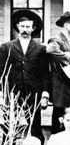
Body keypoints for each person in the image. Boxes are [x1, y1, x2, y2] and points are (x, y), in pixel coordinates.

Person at [0, 9, 49, 137]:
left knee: (35, 126)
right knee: (10, 126)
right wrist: (1, 93)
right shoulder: (6, 47)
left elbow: (45, 73)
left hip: (34, 93)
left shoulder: (40, 49)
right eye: (22, 26)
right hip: (12, 93)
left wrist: (44, 94)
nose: (25, 30)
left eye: (28, 27)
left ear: (33, 28)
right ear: (17, 27)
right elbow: (1, 72)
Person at [46, 11, 70, 133]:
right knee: (59, 120)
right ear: (66, 25)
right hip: (61, 88)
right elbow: (51, 49)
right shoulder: (56, 39)